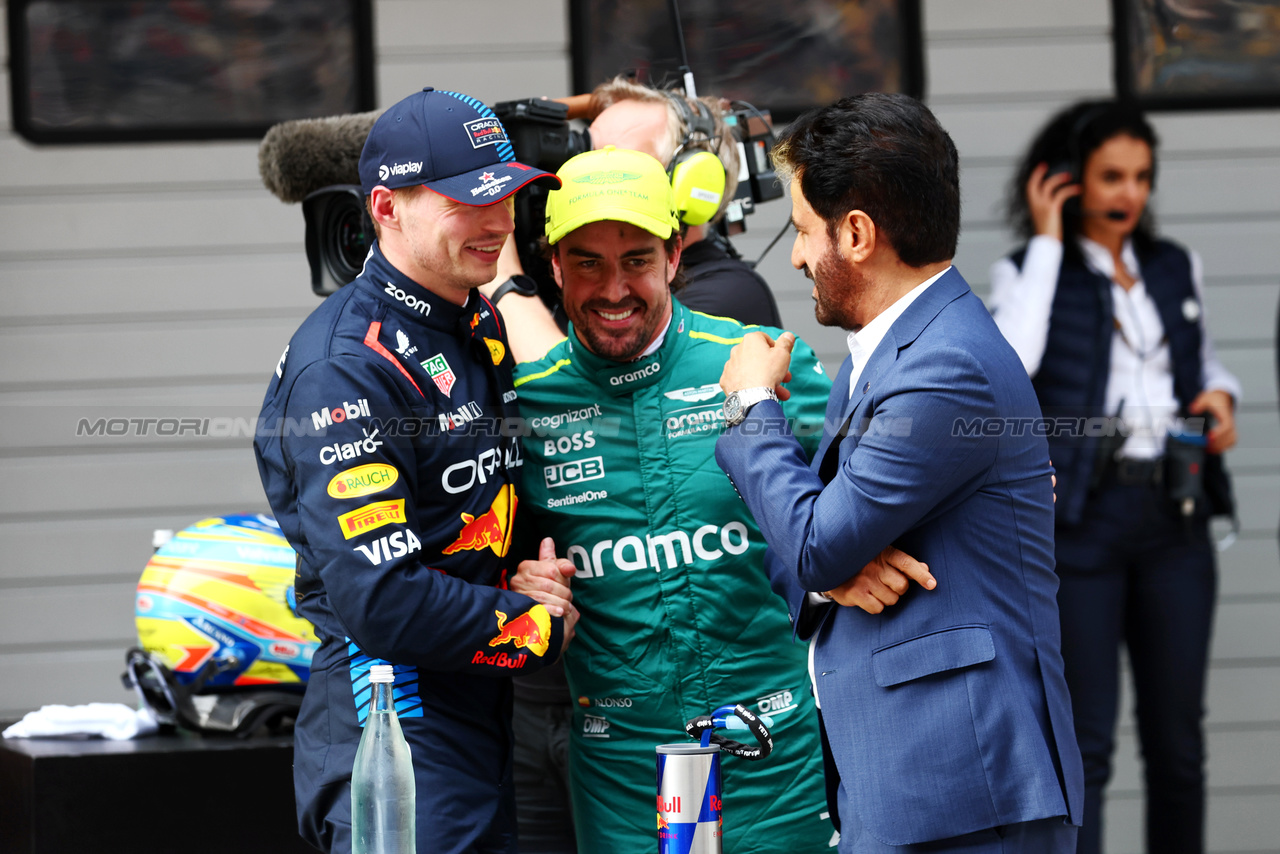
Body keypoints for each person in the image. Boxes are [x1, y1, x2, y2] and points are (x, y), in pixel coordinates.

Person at [508, 145, 925, 853]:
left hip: (775, 755)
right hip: (622, 772)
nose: (614, 289)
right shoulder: (528, 402)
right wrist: (518, 584)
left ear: (674, 255)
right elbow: (484, 556)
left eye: (636, 259)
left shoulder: (751, 362)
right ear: (553, 267)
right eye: (588, 263)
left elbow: (884, 485)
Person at [713, 93, 1085, 853]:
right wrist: (831, 576)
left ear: (856, 234)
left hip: (969, 791)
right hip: (919, 782)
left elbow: (813, 537)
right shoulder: (890, 352)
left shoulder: (944, 367)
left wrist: (751, 403)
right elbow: (816, 549)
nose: (793, 255)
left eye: (806, 231)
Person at [253, 87, 577, 854]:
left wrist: (526, 577)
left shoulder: (473, 317)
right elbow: (382, 601)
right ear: (386, 208)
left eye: (504, 194)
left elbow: (484, 496)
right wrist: (533, 627)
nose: (498, 222)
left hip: (475, 712)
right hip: (393, 728)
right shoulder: (345, 367)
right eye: (468, 200)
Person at [989, 100, 1240, 854]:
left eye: (1140, 177)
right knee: (1087, 741)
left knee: (1179, 744)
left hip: (1176, 514)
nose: (1128, 194)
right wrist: (1045, 240)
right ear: (1066, 179)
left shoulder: (1173, 266)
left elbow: (1198, 360)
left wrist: (1222, 394)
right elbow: (1012, 364)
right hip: (1083, 523)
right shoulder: (1028, 273)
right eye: (1109, 177)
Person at [585, 76, 783, 325]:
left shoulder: (729, 294)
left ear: (690, 183)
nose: (586, 176)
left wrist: (519, 285)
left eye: (619, 164)